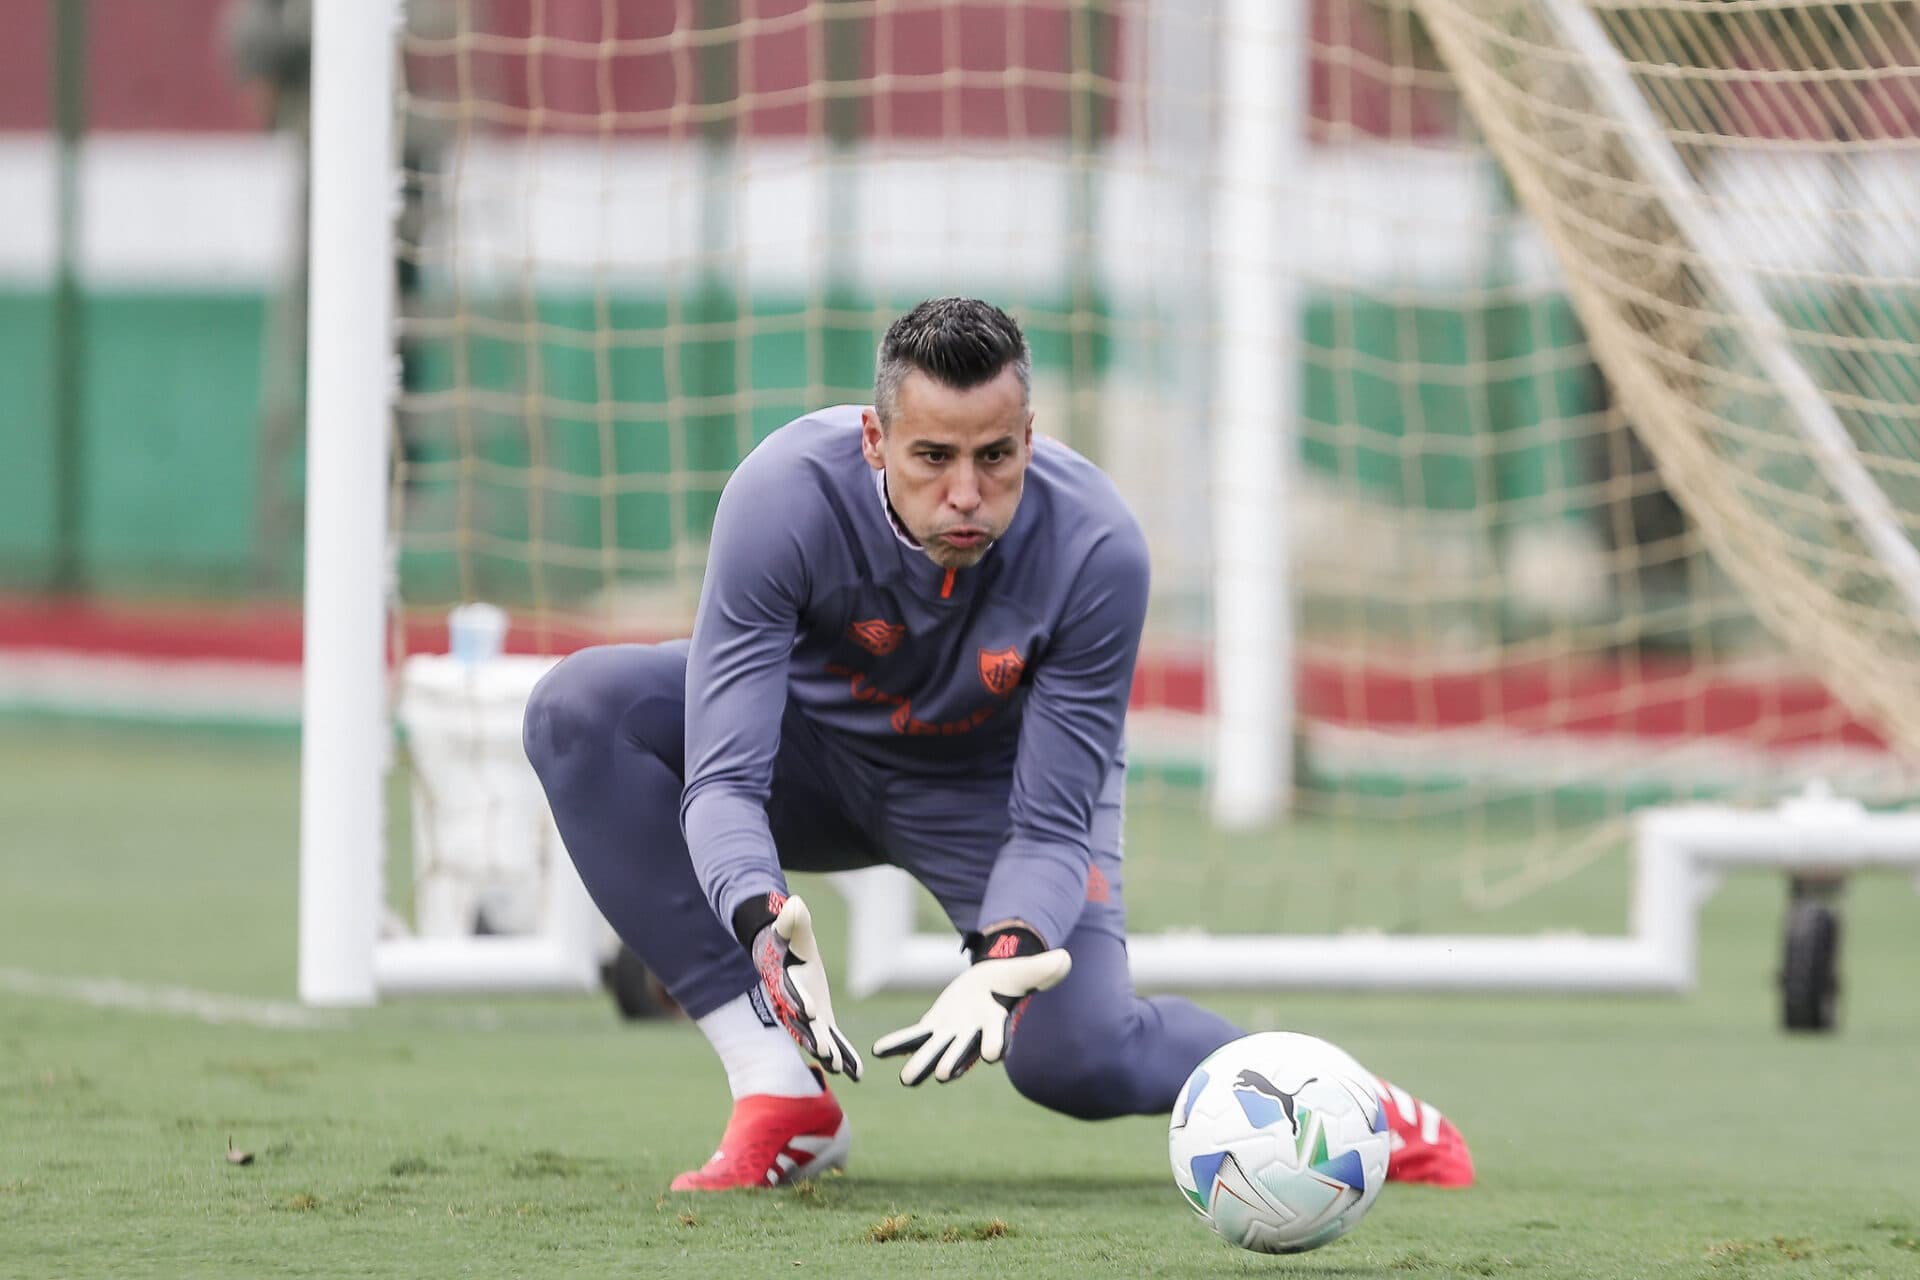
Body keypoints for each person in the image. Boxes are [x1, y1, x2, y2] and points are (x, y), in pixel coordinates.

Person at [522, 298, 1474, 1191]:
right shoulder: (782, 495)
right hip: (800, 762)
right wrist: (756, 912)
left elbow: (1057, 827)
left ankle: (1345, 1100)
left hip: (993, 801)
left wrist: (1004, 956)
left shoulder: (1097, 549)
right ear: (874, 440)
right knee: (580, 711)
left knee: (1079, 1059)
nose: (966, 494)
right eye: (932, 456)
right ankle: (780, 1093)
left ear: (1033, 438)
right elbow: (727, 776)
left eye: (997, 457)